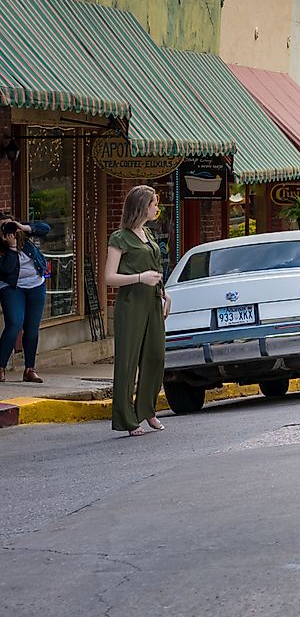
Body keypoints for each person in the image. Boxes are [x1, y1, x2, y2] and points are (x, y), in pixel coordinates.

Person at [106, 185, 170, 437]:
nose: (157, 208)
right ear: (142, 205)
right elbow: (109, 277)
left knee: (156, 356)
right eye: (154, 203)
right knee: (127, 361)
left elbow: (155, 269)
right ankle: (127, 419)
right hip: (131, 304)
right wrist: (140, 277)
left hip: (153, 301)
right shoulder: (120, 237)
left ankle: (147, 409)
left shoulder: (148, 235)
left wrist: (165, 294)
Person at [0, 215, 52, 382]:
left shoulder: (22, 234)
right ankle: (0, 368)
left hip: (36, 285)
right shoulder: (2, 247)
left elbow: (45, 229)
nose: (7, 230)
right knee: (14, 324)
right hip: (12, 286)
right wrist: (12, 248)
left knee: (32, 327)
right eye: (2, 227)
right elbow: (6, 270)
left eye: (9, 225)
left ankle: (29, 369)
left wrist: (23, 227)